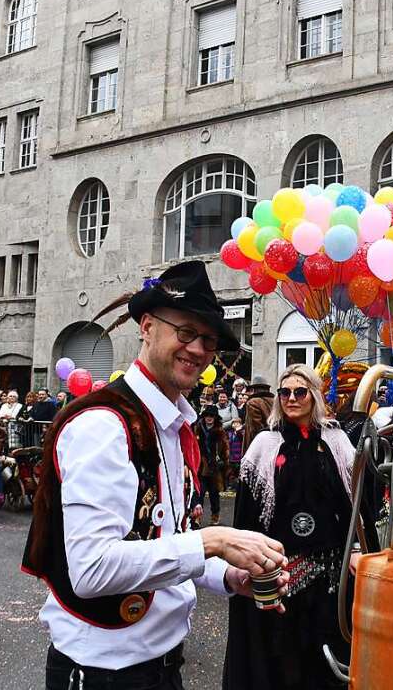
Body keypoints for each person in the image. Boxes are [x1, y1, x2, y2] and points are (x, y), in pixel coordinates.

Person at [21, 261, 288, 689]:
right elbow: (92, 571)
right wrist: (214, 540)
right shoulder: (103, 425)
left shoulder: (173, 423)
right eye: (186, 333)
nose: (199, 350)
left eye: (208, 340)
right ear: (146, 327)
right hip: (105, 675)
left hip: (162, 668)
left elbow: (167, 539)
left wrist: (227, 575)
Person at [224, 364, 380, 690]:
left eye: (299, 391)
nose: (291, 398)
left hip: (332, 573)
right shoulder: (264, 444)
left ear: (314, 395)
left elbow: (360, 502)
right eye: (285, 392)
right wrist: (251, 561)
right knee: (281, 656)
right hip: (280, 570)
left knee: (328, 655)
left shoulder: (336, 440)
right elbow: (247, 514)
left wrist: (356, 547)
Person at [195, 405, 229, 526]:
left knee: (214, 494)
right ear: (204, 417)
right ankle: (197, 517)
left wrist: (225, 464)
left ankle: (215, 516)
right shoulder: (197, 429)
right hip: (200, 465)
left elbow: (225, 449)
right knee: (200, 493)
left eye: (211, 416)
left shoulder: (220, 431)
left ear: (215, 418)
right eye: (207, 416)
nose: (209, 418)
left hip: (215, 467)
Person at [242, 375, 275, 455]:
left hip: (257, 445)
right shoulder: (275, 401)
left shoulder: (253, 402)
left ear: (254, 389)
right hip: (273, 441)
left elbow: (256, 428)